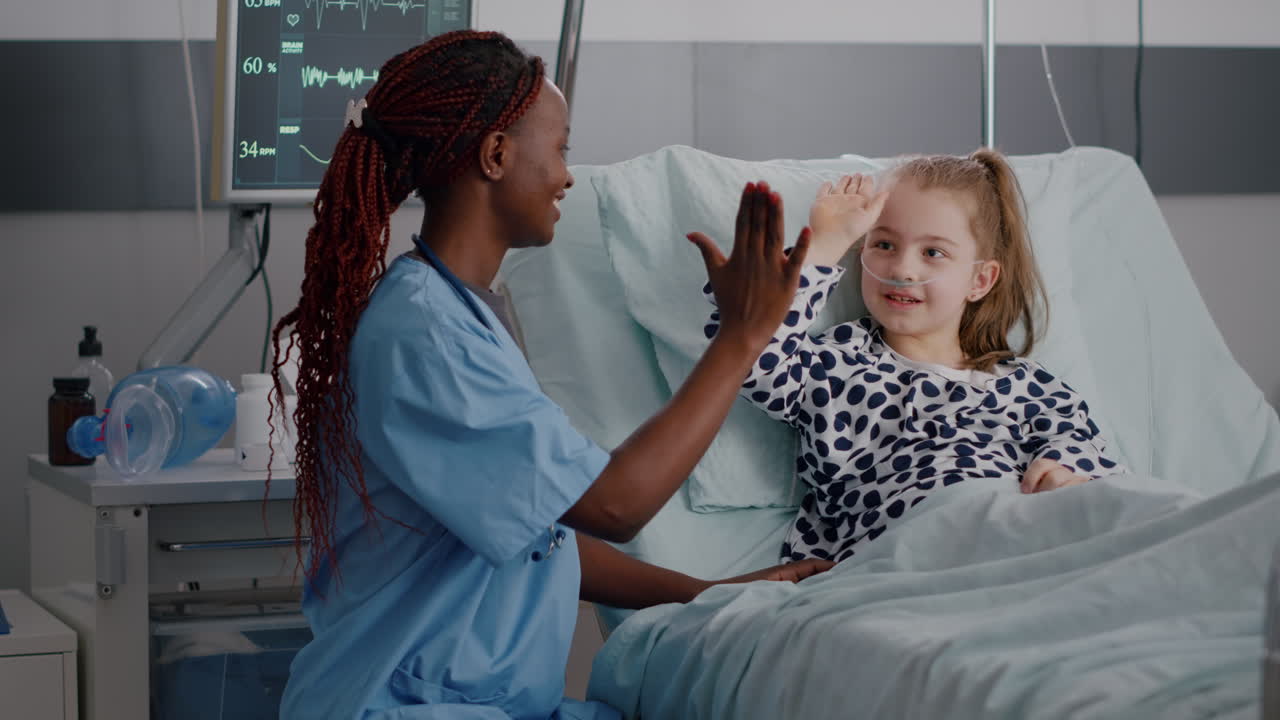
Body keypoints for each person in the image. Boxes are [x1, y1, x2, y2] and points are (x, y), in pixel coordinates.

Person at [267, 31, 831, 720]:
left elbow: (542, 536)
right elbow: (614, 506)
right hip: (402, 704)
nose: (568, 175)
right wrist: (740, 338)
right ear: (497, 155)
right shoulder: (425, 334)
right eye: (560, 147)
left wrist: (709, 592)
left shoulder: (458, 312)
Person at [697, 150, 1127, 565]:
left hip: (1013, 535)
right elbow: (746, 351)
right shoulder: (836, 364)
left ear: (980, 280)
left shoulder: (1025, 386)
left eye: (933, 252)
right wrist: (827, 244)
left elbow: (1086, 452)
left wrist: (1061, 472)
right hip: (900, 549)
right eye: (883, 244)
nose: (903, 269)